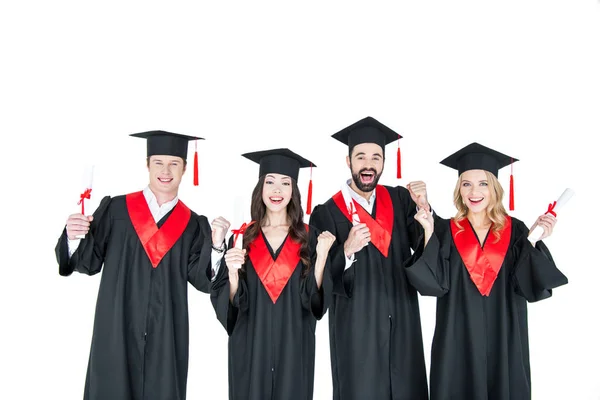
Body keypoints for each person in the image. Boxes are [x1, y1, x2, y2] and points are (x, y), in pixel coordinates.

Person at [55, 131, 230, 400]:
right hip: (116, 328)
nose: (166, 171)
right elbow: (87, 263)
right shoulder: (116, 210)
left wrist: (218, 245)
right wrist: (71, 235)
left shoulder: (192, 224)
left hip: (166, 334)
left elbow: (204, 280)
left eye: (174, 163)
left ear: (185, 168)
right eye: (158, 162)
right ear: (147, 164)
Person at [406, 142, 568, 400]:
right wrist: (427, 229)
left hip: (504, 335)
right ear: (459, 188)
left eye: (483, 183)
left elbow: (529, 286)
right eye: (466, 183)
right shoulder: (445, 230)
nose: (474, 191)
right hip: (456, 336)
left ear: (494, 188)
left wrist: (534, 240)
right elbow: (431, 283)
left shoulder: (516, 231)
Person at [309, 116, 430, 400]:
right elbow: (318, 279)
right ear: (348, 160)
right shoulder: (327, 212)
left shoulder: (401, 200)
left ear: (384, 162)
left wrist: (425, 211)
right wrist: (347, 250)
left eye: (376, 157)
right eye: (360, 156)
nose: (368, 164)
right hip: (356, 329)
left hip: (403, 320)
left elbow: (426, 250)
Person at [210, 148, 335, 400]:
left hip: (294, 344)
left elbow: (315, 303)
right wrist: (233, 276)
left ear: (294, 191)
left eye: (285, 183)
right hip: (250, 345)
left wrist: (321, 258)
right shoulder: (241, 237)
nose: (277, 190)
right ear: (260, 189)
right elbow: (231, 306)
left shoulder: (309, 237)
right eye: (270, 182)